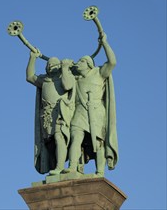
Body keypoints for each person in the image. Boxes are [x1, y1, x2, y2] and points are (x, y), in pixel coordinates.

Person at [64, 33, 118, 177]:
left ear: (88, 64)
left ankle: (100, 172)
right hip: (80, 111)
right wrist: (64, 66)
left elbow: (112, 62)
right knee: (76, 137)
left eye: (81, 61)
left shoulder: (99, 73)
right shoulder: (76, 79)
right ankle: (72, 166)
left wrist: (105, 43)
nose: (78, 63)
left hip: (96, 112)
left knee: (98, 143)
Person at [26, 49, 75, 175]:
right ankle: (54, 167)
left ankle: (60, 167)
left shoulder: (65, 77)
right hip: (47, 115)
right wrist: (33, 58)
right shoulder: (44, 80)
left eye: (53, 65)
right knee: (50, 143)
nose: (50, 67)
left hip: (61, 112)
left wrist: (65, 68)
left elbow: (68, 86)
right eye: (48, 65)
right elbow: (30, 77)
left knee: (59, 137)